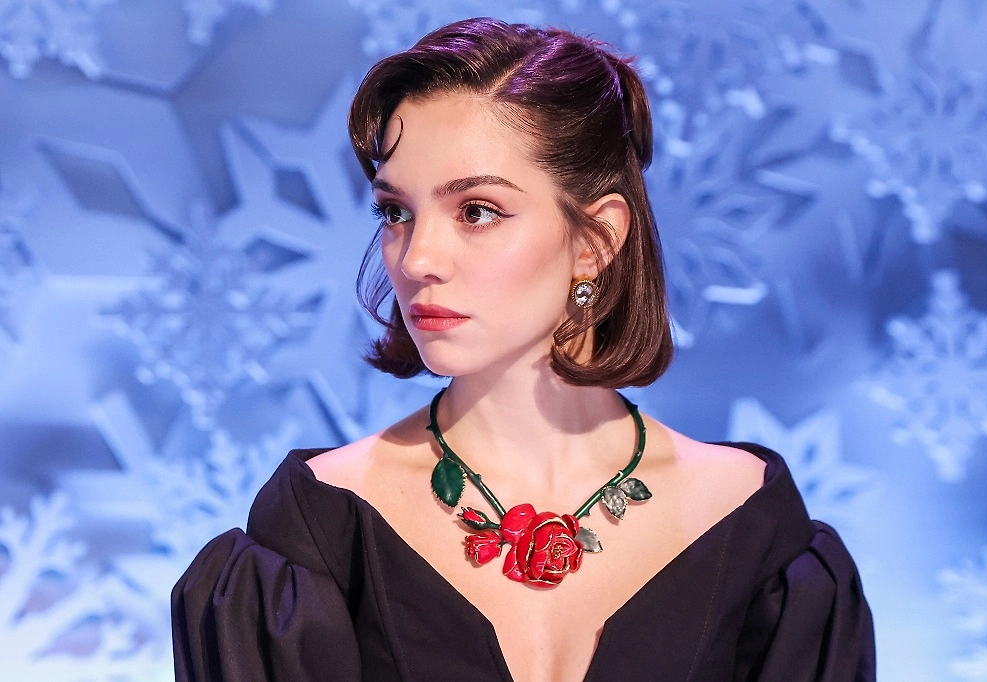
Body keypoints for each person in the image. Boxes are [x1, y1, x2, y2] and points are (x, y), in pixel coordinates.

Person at [171, 17, 875, 682]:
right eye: (395, 211)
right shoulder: (317, 530)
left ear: (596, 239)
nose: (417, 258)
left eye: (477, 211)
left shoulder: (753, 525)